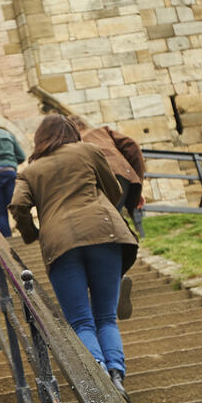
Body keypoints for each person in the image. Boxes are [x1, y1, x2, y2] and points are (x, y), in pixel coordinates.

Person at [10, 114, 138, 401]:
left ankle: (100, 375)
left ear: (39, 139)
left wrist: (32, 233)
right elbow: (114, 189)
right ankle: (117, 375)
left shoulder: (31, 171)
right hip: (105, 233)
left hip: (60, 243)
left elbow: (18, 205)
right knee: (106, 317)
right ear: (70, 132)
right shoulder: (88, 151)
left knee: (81, 322)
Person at [68, 115, 147, 321]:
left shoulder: (72, 144)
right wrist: (137, 183)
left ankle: (110, 284)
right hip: (123, 176)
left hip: (96, 180)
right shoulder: (103, 131)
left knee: (100, 232)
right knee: (112, 225)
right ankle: (114, 280)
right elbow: (133, 147)